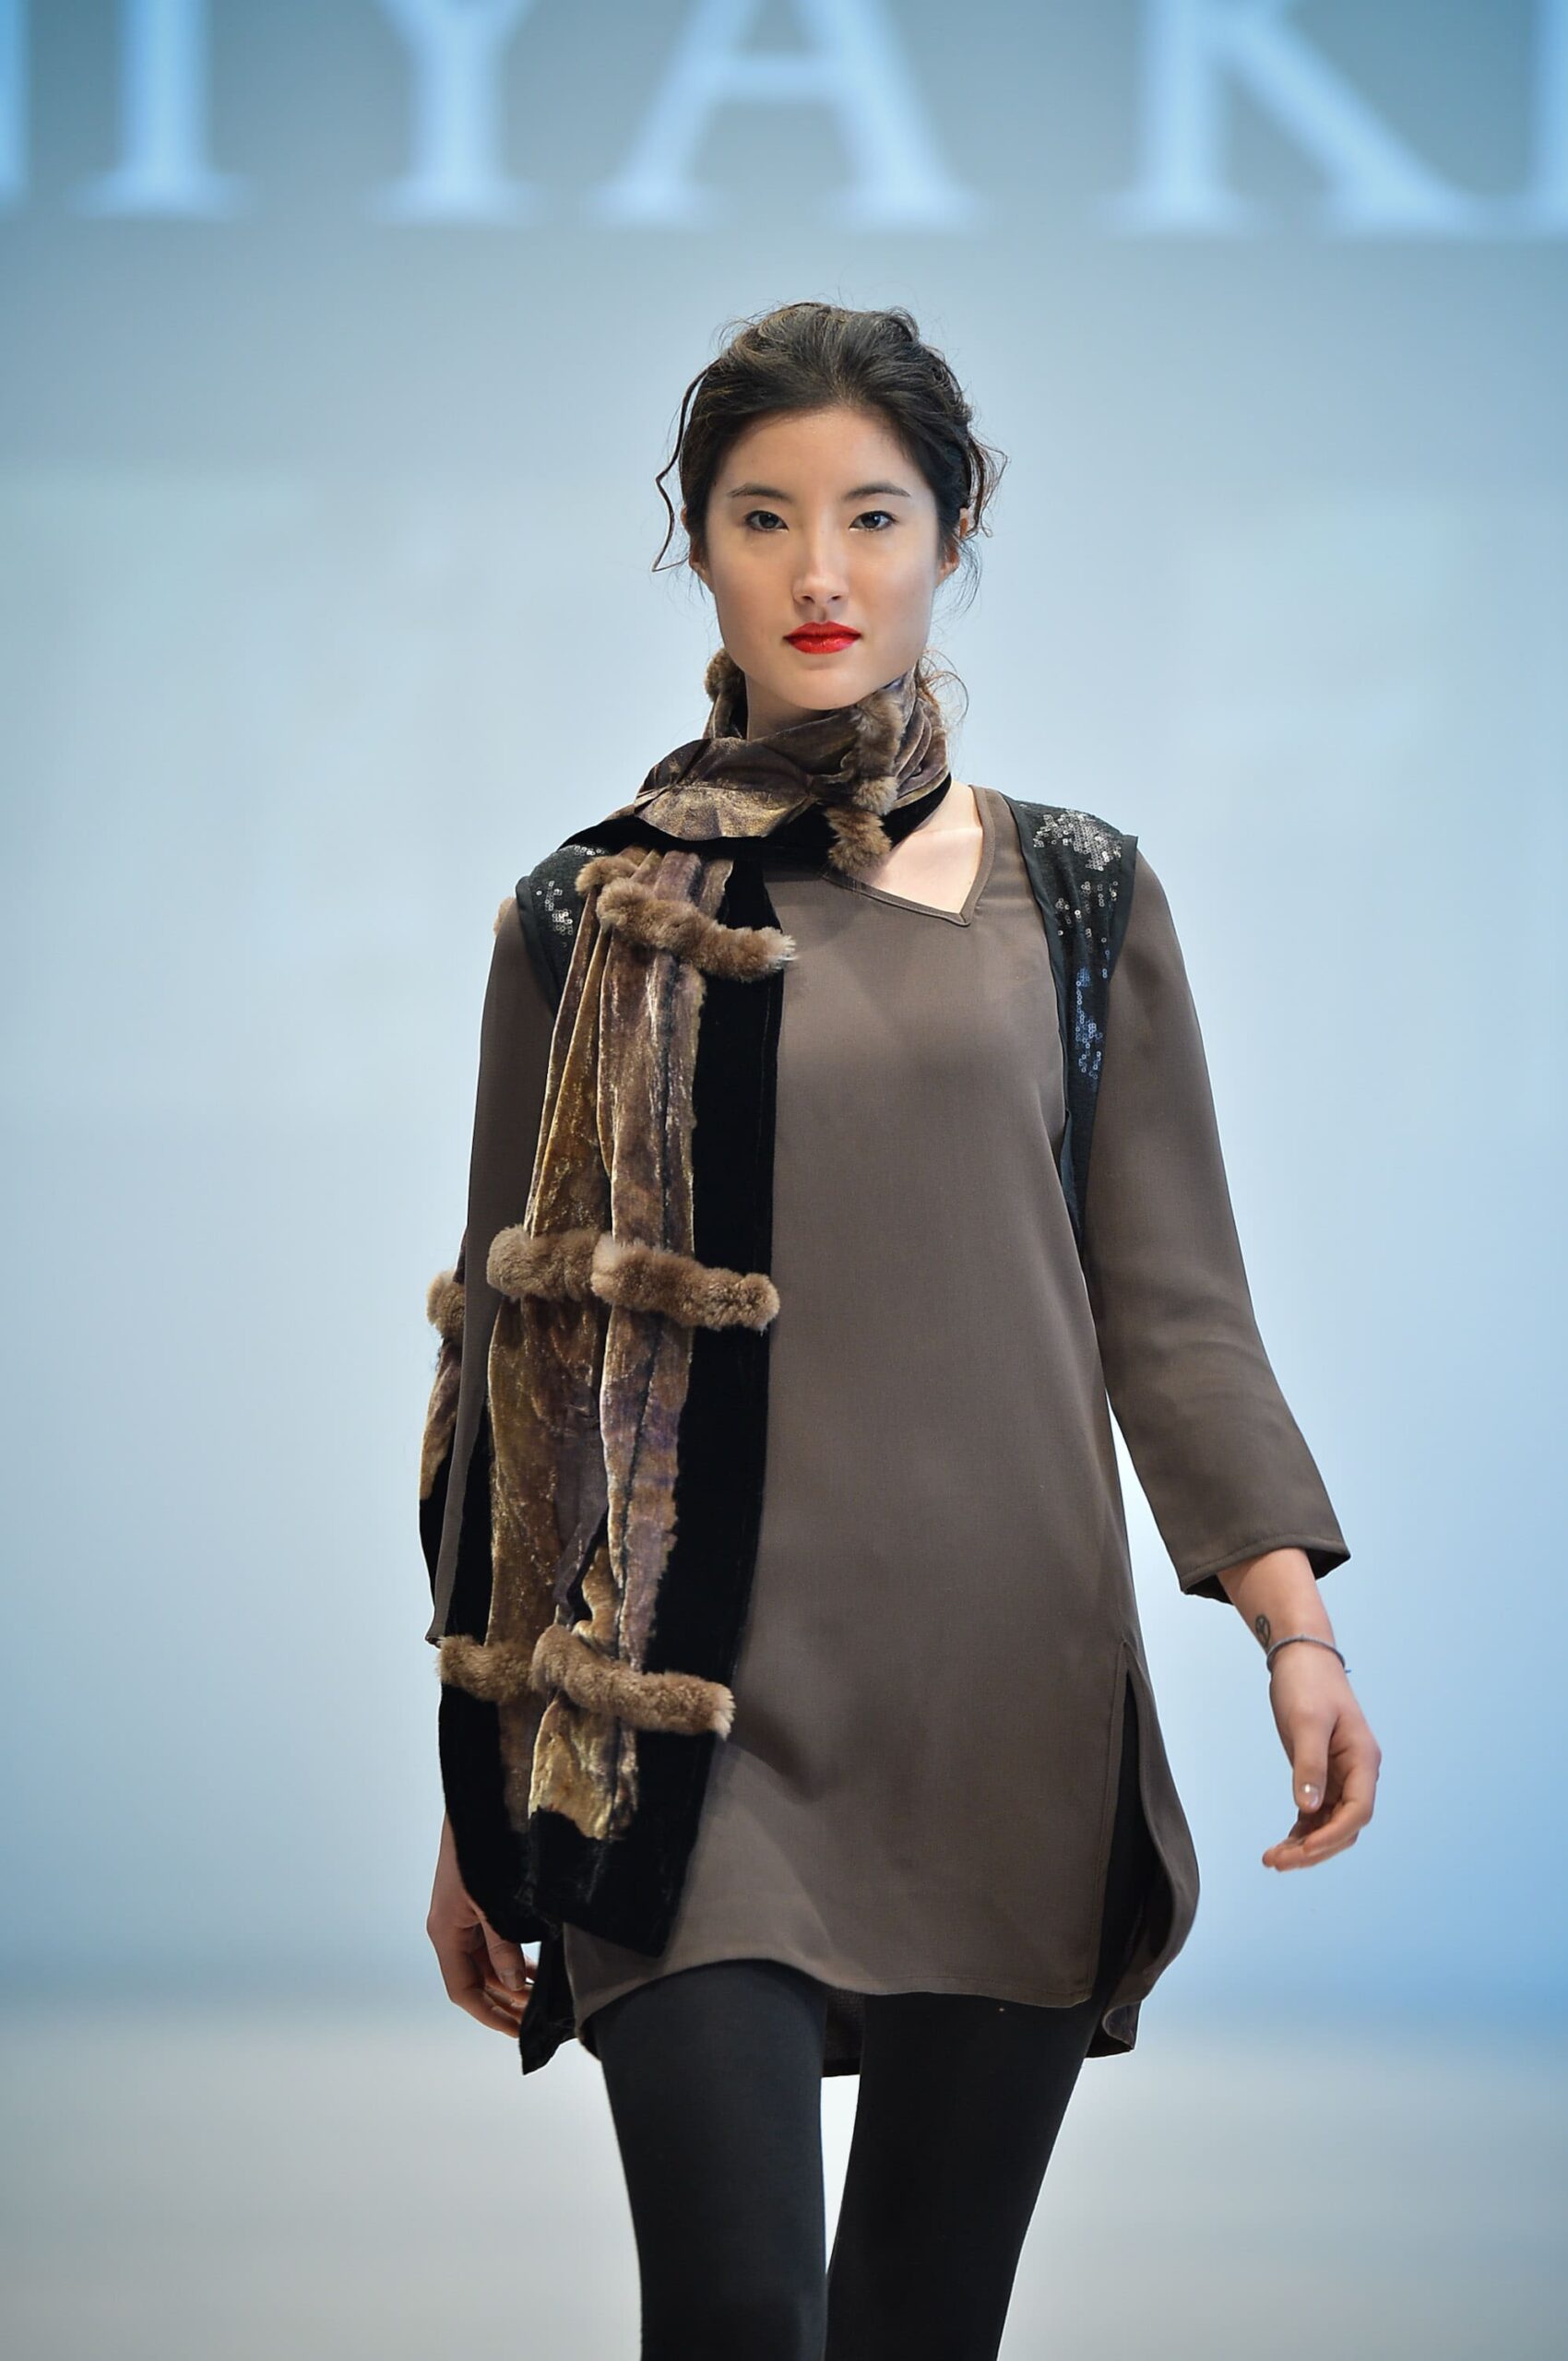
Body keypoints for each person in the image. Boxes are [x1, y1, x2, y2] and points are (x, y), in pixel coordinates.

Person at [421, 302, 1382, 2361]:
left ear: (951, 538)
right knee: (736, 2308)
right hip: (678, 1725)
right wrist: (479, 1782)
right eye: (763, 518)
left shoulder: (1079, 894)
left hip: (1000, 1704)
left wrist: (1292, 1630)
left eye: (873, 515)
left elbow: (1173, 1306)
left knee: (920, 2327)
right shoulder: (584, 919)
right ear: (698, 549)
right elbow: (517, 1375)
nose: (821, 571)